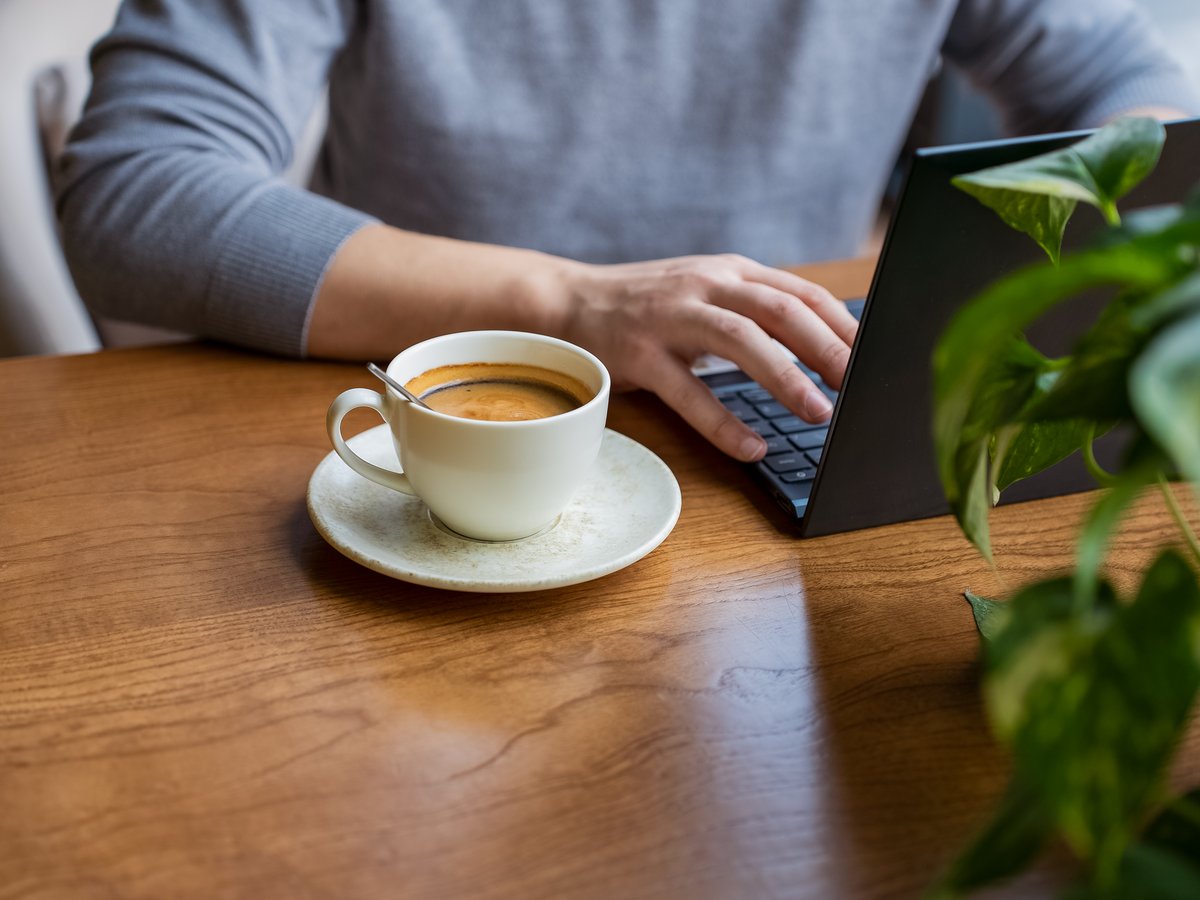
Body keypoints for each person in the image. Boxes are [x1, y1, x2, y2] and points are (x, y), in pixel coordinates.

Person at [56, 0, 1198, 462]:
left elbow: (1146, 98)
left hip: (797, 420)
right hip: (430, 442)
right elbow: (136, 188)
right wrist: (567, 307)